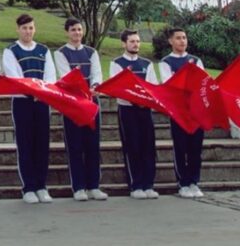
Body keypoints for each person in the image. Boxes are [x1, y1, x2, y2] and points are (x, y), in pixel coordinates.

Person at [2, 13, 57, 204]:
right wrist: (31, 91)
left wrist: (41, 91)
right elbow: (14, 77)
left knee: (42, 144)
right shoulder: (11, 51)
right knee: (25, 144)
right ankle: (29, 187)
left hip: (42, 101)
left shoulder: (43, 50)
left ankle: (41, 186)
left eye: (31, 28)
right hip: (22, 102)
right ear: (18, 29)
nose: (28, 31)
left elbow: (50, 76)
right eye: (24, 28)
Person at [53, 18, 107, 202]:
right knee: (75, 146)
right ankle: (78, 187)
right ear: (67, 32)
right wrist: (80, 91)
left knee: (92, 145)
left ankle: (94, 186)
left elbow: (97, 73)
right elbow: (65, 76)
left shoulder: (91, 52)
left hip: (91, 103)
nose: (77, 33)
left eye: (79, 30)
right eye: (73, 30)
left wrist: (95, 86)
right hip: (73, 104)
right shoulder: (61, 53)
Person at [111, 28, 160, 200]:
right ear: (124, 43)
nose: (135, 44)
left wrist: (144, 100)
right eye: (132, 41)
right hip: (127, 109)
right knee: (132, 147)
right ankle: (136, 185)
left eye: (137, 41)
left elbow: (153, 86)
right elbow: (117, 87)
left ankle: (148, 184)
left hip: (145, 109)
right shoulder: (117, 63)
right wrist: (134, 100)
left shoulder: (147, 64)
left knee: (148, 146)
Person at [159, 27, 206, 199]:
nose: (182, 41)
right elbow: (168, 85)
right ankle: (183, 183)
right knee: (181, 148)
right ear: (171, 41)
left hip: (195, 112)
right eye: (178, 38)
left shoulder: (195, 60)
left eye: (184, 37)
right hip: (178, 112)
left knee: (196, 148)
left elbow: (203, 82)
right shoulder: (166, 62)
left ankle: (194, 181)